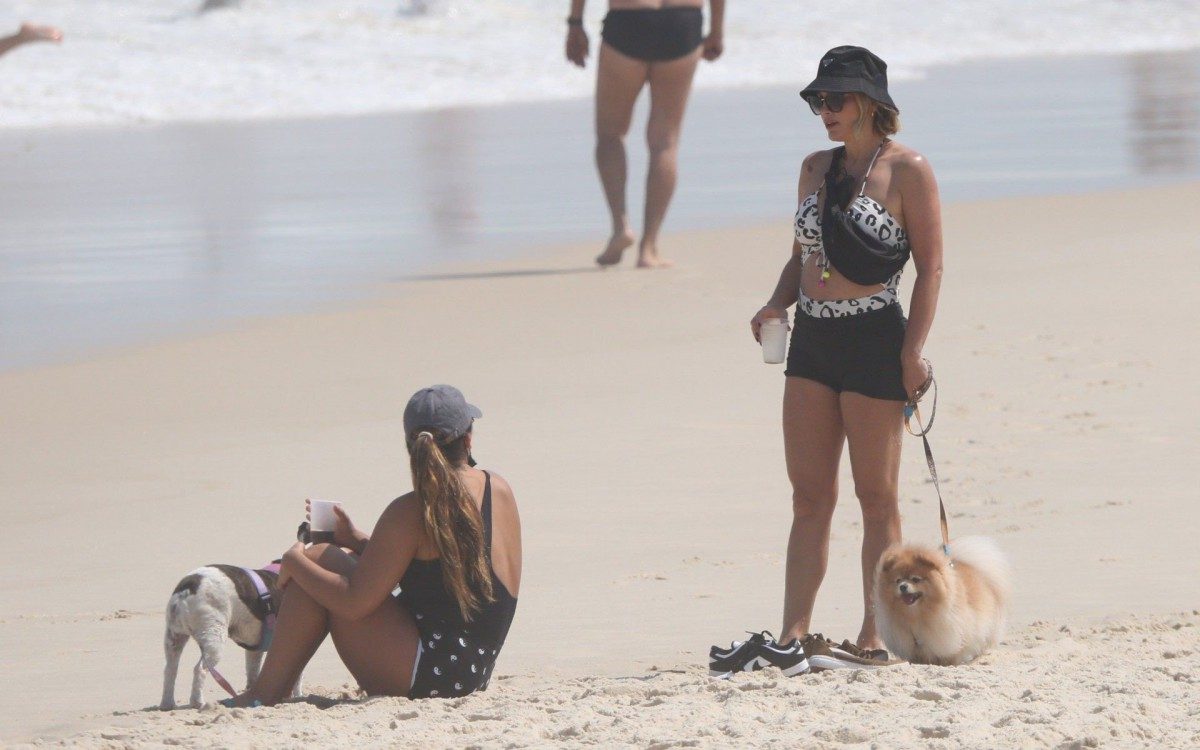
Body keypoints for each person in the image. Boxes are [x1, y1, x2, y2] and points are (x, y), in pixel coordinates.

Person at [749, 46, 943, 654]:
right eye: (818, 100)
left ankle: (874, 630)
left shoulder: (909, 170)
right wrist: (777, 302)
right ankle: (794, 632)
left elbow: (931, 270)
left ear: (870, 103)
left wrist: (914, 353)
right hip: (813, 341)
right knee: (810, 496)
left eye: (835, 99)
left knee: (876, 495)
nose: (824, 110)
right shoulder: (814, 168)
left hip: (874, 338)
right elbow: (803, 253)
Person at [228, 385, 521, 705]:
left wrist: (294, 562)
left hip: (425, 673)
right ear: (468, 438)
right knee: (335, 558)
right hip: (472, 671)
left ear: (412, 446)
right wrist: (353, 538)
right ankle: (272, 687)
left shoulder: (411, 510)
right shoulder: (498, 488)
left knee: (317, 558)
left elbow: (354, 603)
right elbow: (438, 571)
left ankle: (265, 691)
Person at [565, 0, 725, 269]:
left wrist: (575, 23)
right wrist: (717, 29)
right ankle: (648, 248)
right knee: (665, 142)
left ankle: (620, 227)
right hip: (682, 24)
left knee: (610, 135)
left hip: (629, 21)